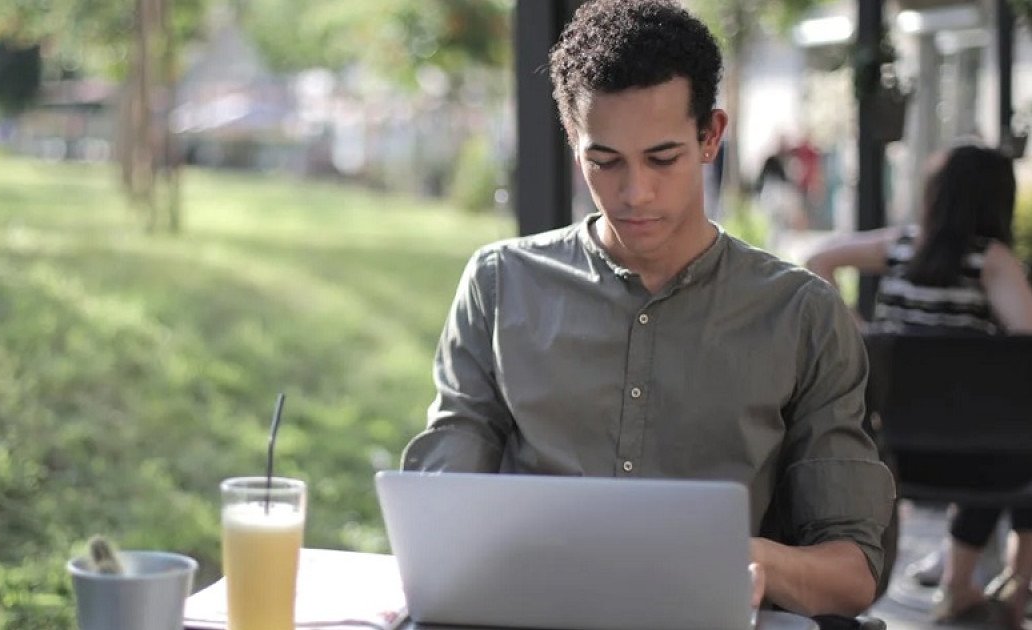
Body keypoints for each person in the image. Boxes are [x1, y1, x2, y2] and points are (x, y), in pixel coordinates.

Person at [400, 0, 895, 620]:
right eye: (603, 162)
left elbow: (851, 575)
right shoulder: (500, 286)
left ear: (711, 135)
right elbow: (439, 516)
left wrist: (744, 560)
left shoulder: (800, 314)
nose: (634, 194)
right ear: (573, 141)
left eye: (663, 158)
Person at [805, 143, 1032, 628]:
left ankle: (969, 583)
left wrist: (858, 332)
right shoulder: (991, 260)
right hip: (981, 460)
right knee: (1023, 442)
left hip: (891, 449)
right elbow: (1025, 345)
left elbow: (818, 260)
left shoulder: (901, 246)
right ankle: (992, 584)